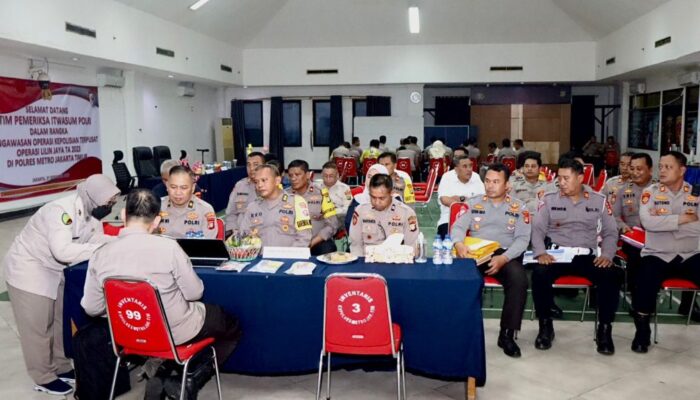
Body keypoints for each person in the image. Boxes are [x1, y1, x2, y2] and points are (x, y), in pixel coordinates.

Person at [81, 189, 241, 375]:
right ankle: (193, 377)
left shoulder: (100, 254)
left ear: (124, 215)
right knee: (230, 323)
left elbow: (91, 308)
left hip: (127, 333)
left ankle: (162, 367)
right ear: (157, 221)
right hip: (175, 332)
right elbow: (194, 293)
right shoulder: (169, 248)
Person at [3, 174, 120, 395]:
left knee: (59, 322)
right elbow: (62, 251)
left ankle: (61, 365)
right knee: (38, 327)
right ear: (93, 198)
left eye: (113, 202)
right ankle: (43, 376)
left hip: (55, 270)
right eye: (108, 202)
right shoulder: (61, 212)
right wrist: (99, 249)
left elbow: (95, 239)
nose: (110, 206)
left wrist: (120, 241)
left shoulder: (91, 212)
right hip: (29, 269)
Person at [531, 158, 621, 355]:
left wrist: (607, 254)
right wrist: (540, 252)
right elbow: (537, 230)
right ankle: (545, 327)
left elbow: (611, 232)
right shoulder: (549, 199)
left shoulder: (598, 200)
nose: (561, 182)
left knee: (611, 275)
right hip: (557, 254)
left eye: (566, 178)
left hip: (585, 255)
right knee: (539, 274)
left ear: (580, 178)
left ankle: (604, 330)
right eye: (559, 178)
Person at [452, 164, 530, 358]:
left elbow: (523, 239)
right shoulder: (473, 203)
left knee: (519, 279)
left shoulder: (519, 207)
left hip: (505, 254)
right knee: (462, 280)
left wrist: (504, 258)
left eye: (496, 182)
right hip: (477, 252)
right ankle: (461, 330)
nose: (490, 186)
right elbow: (458, 228)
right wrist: (459, 244)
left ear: (507, 185)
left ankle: (507, 334)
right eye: (487, 181)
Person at [632, 151, 700, 353]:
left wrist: (666, 222)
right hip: (657, 253)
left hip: (689, 254)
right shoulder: (650, 192)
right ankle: (642, 332)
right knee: (644, 280)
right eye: (661, 166)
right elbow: (648, 222)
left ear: (682, 170)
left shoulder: (695, 193)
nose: (662, 170)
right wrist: (682, 219)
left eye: (668, 167)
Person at [611, 152, 653, 307]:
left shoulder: (660, 190)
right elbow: (613, 216)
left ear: (650, 169)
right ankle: (639, 303)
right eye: (632, 168)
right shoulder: (622, 191)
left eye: (639, 169)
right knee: (638, 257)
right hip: (632, 239)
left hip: (657, 238)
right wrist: (623, 227)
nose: (635, 172)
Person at [239, 164, 312, 246]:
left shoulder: (296, 202)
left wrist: (287, 256)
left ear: (277, 181)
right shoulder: (252, 207)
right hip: (260, 257)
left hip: (290, 257)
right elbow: (244, 236)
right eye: (256, 182)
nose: (259, 185)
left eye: (264, 180)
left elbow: (304, 238)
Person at [349, 174, 419, 256]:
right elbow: (356, 246)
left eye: (382, 198)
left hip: (396, 262)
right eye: (373, 197)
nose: (377, 202)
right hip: (368, 262)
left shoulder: (407, 213)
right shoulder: (360, 211)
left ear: (391, 193)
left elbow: (411, 246)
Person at [288, 160, 339, 255]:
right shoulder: (285, 196)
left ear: (308, 175)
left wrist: (311, 243)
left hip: (316, 242)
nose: (293, 178)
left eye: (297, 174)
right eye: (290, 175)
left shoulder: (321, 194)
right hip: (292, 242)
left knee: (328, 248)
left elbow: (332, 224)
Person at [158, 166, 218, 238]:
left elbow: (208, 245)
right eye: (173, 187)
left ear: (193, 188)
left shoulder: (205, 210)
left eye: (183, 188)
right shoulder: (156, 206)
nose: (178, 192)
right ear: (167, 186)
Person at [436, 155, 485, 239]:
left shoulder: (476, 177)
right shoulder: (447, 177)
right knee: (445, 239)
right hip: (449, 219)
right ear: (456, 169)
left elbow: (483, 200)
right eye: (465, 166)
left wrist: (458, 200)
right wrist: (468, 201)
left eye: (470, 166)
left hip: (474, 219)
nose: (469, 169)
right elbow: (444, 199)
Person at [224, 152, 264, 233]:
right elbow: (230, 213)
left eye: (255, 164)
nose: (251, 168)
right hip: (242, 236)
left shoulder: (269, 187)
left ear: (264, 166)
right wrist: (233, 231)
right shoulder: (240, 186)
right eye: (248, 165)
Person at [344, 164, 391, 232]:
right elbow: (349, 224)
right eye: (369, 176)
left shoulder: (393, 200)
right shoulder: (358, 199)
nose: (371, 180)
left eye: (376, 178)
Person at [321, 161, 353, 228]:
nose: (328, 179)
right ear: (322, 175)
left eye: (331, 176)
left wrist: (332, 212)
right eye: (325, 176)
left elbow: (348, 208)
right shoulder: (317, 187)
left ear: (337, 175)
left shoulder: (345, 189)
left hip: (337, 218)